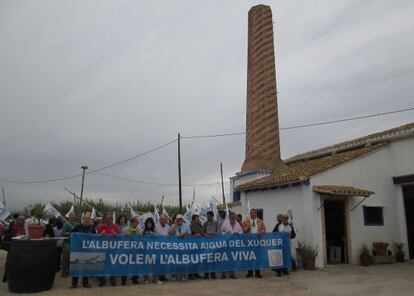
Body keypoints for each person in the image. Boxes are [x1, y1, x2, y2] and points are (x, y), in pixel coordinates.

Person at [70, 212, 96, 288]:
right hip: (77, 250)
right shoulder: (77, 227)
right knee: (75, 267)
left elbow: (95, 237)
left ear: (90, 219)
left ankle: (85, 283)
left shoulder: (92, 228)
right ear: (83, 219)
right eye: (85, 218)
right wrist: (72, 235)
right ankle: (74, 283)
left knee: (86, 267)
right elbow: (72, 234)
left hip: (87, 250)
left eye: (88, 218)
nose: (87, 220)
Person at [97, 212, 120, 287]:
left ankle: (112, 279)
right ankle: (102, 280)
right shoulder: (101, 226)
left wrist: (116, 235)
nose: (109, 220)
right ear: (104, 219)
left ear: (112, 219)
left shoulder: (115, 227)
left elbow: (121, 238)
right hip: (102, 249)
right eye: (107, 218)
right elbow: (95, 238)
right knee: (101, 265)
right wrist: (100, 235)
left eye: (110, 218)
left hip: (112, 250)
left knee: (112, 265)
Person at [242, 209, 266, 278]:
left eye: (254, 213)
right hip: (249, 242)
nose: (253, 214)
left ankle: (257, 272)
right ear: (250, 214)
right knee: (249, 257)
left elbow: (264, 229)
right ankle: (250, 272)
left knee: (257, 257)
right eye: (251, 213)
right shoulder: (246, 221)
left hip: (257, 241)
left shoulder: (260, 221)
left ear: (256, 214)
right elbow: (243, 230)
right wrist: (247, 228)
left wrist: (260, 232)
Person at [221, 211, 243, 279]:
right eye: (232, 216)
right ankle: (223, 274)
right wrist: (226, 233)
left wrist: (238, 233)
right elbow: (221, 232)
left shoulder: (238, 224)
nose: (234, 217)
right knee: (225, 258)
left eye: (235, 216)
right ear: (230, 216)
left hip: (234, 244)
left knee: (233, 258)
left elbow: (241, 232)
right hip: (226, 244)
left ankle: (232, 274)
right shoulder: (225, 223)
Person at [169, 214, 191, 281]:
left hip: (184, 247)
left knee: (183, 262)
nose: (179, 221)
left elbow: (190, 235)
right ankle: (174, 276)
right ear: (176, 220)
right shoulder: (173, 226)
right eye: (178, 220)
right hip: (175, 247)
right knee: (175, 262)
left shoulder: (186, 226)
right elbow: (170, 234)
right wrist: (175, 225)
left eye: (180, 219)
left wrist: (184, 234)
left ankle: (183, 276)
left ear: (182, 220)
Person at [121, 216, 141, 285]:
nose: (138, 223)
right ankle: (123, 280)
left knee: (136, 265)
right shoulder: (125, 229)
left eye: (138, 222)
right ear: (132, 222)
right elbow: (122, 239)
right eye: (136, 222)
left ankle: (135, 279)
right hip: (127, 250)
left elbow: (140, 239)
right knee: (125, 265)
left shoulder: (139, 229)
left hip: (135, 250)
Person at [142, 217, 162, 284]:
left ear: (152, 224)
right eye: (148, 223)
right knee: (146, 264)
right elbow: (141, 239)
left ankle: (156, 279)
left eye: (150, 223)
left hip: (154, 250)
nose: (149, 224)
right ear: (146, 224)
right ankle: (146, 279)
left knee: (155, 264)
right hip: (146, 250)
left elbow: (158, 238)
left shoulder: (155, 230)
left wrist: (153, 234)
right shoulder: (143, 230)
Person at [61, 212, 79, 277]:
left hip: (75, 244)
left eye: (74, 216)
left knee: (74, 259)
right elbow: (63, 233)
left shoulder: (77, 224)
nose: (73, 217)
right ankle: (64, 273)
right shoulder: (66, 224)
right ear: (69, 217)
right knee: (66, 259)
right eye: (71, 216)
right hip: (67, 244)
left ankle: (73, 272)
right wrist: (70, 233)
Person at [202, 211, 219, 279]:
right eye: (207, 216)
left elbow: (218, 232)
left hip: (214, 243)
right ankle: (206, 274)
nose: (207, 217)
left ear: (212, 216)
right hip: (206, 243)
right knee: (206, 258)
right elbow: (202, 232)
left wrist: (213, 233)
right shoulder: (205, 223)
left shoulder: (216, 223)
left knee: (213, 259)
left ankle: (213, 273)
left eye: (209, 216)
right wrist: (206, 235)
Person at [155, 214, 171, 282]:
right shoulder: (156, 227)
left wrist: (169, 235)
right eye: (162, 219)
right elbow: (158, 236)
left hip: (166, 247)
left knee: (164, 262)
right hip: (158, 247)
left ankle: (163, 276)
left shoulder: (168, 226)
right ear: (159, 220)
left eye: (164, 220)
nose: (163, 221)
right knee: (158, 262)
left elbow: (169, 234)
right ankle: (157, 277)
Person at [189, 214, 202, 280]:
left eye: (198, 219)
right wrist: (194, 236)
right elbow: (188, 235)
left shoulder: (200, 225)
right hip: (192, 245)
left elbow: (201, 233)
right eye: (197, 219)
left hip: (199, 245)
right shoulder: (190, 226)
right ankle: (190, 274)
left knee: (197, 259)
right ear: (193, 220)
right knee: (192, 259)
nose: (198, 220)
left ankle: (196, 273)